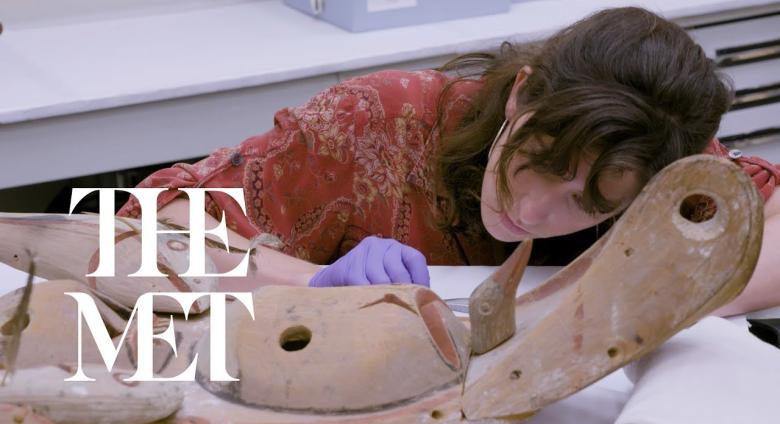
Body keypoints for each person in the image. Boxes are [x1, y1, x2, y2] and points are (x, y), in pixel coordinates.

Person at [118, 7, 779, 316]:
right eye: (538, 161)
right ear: (521, 93)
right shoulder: (376, 119)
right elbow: (140, 234)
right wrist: (312, 284)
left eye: (591, 201)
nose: (533, 212)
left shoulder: (653, 160)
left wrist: (656, 300)